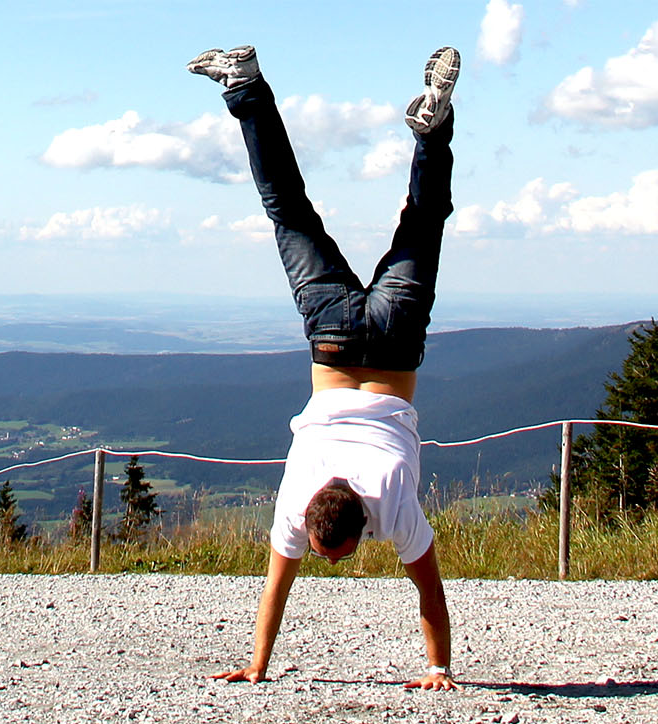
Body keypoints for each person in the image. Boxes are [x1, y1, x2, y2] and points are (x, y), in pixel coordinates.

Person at [190, 44, 460, 691]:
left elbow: (432, 592)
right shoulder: (295, 497)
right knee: (287, 210)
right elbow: (275, 589)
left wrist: (440, 666)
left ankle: (436, 125)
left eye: (331, 556)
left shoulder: (392, 499)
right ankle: (242, 84)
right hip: (334, 340)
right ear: (319, 512)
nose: (335, 561)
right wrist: (257, 662)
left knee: (424, 224)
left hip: (394, 345)